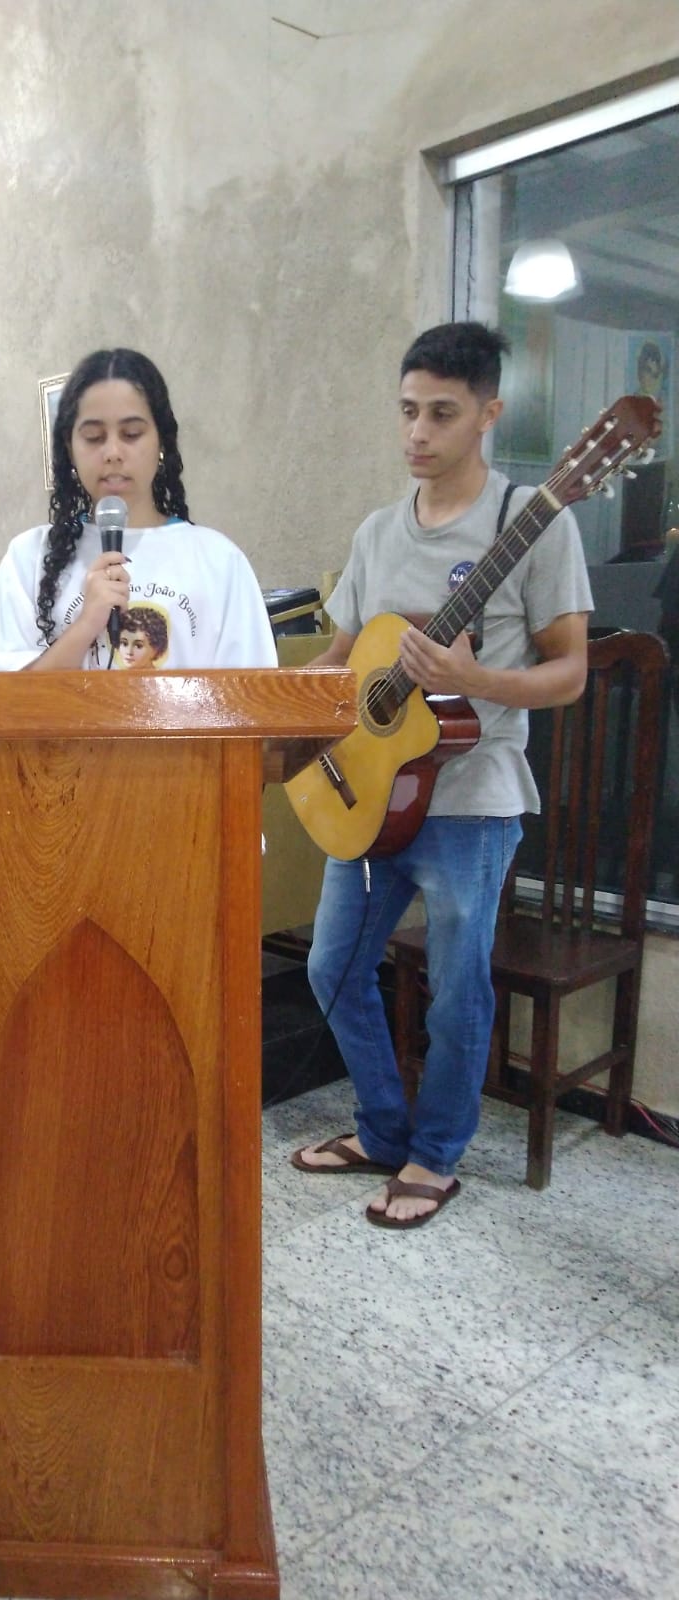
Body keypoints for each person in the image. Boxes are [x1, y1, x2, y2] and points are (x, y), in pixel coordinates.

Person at [291, 321, 592, 1226]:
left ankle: (436, 1153)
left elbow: (570, 672)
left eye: (442, 414)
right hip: (368, 795)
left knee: (458, 988)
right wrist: (279, 715)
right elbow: (343, 658)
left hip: (473, 798)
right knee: (331, 968)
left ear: (489, 414)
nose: (417, 433)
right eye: (408, 411)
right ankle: (384, 1130)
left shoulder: (533, 522)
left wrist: (475, 679)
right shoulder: (378, 532)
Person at [0, 348, 275, 671]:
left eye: (131, 434)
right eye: (93, 437)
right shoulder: (29, 558)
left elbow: (253, 693)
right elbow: (2, 697)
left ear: (161, 442)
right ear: (70, 449)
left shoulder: (219, 561)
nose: (113, 452)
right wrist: (86, 624)